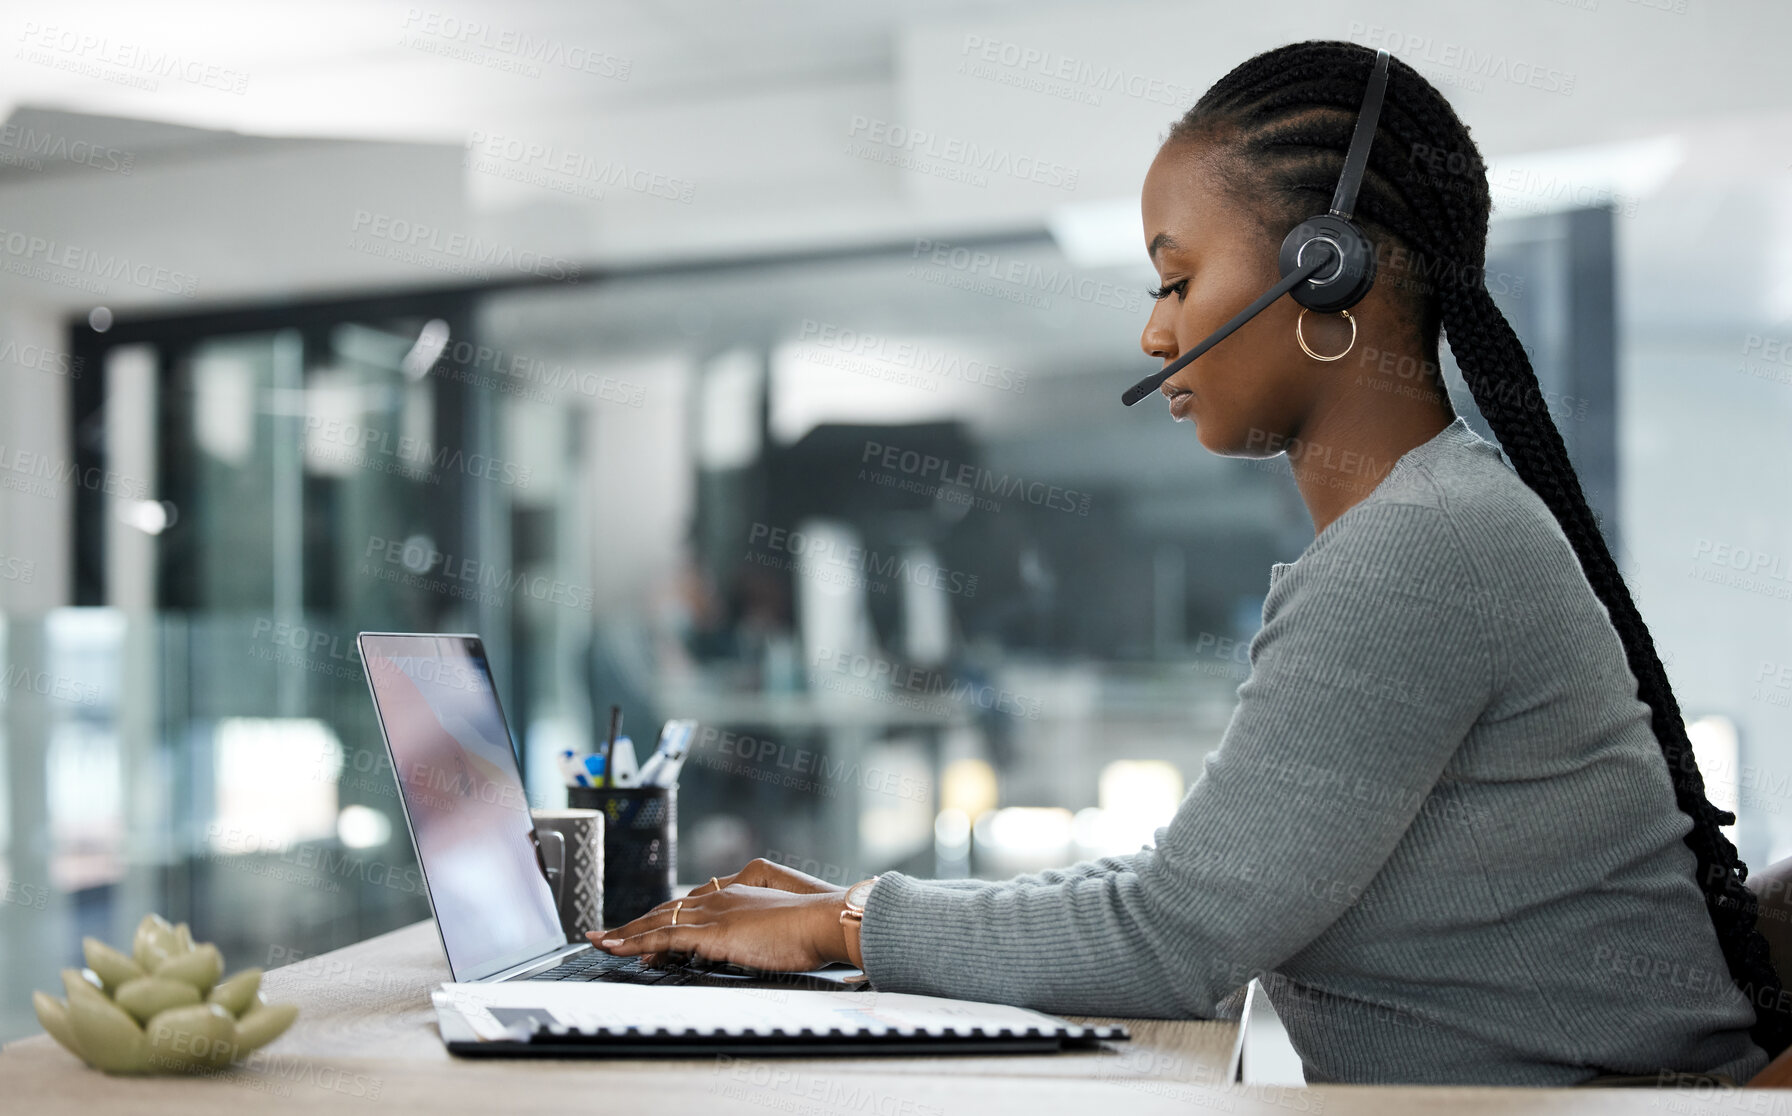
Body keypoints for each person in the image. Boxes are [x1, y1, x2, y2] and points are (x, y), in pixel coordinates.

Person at [590, 40, 1786, 1085]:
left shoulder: (1421, 550)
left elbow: (1176, 940)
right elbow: (1200, 889)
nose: (1156, 333)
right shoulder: (1427, 526)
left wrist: (841, 926)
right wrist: (849, 912)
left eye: (1175, 279)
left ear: (1326, 272)